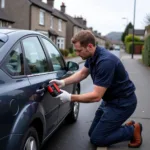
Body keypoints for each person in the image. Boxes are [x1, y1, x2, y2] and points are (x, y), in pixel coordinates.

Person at [50, 30, 142, 148]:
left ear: (89, 46)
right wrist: (62, 82)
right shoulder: (92, 55)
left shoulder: (105, 62)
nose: (77, 53)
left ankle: (132, 130)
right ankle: (122, 127)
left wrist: (70, 97)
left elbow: (96, 96)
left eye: (79, 50)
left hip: (123, 104)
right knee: (92, 133)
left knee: (97, 139)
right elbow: (82, 73)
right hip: (109, 101)